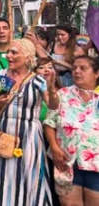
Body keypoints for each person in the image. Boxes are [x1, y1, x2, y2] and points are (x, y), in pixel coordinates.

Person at [0, 38, 59, 206]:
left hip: (30, 135)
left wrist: (52, 90)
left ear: (27, 57)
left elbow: (53, 105)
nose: (8, 56)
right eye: (8, 52)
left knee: (28, 175)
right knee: (4, 177)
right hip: (3, 133)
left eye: (14, 52)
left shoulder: (37, 80)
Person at [44, 54, 99, 205]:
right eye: (74, 68)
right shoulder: (63, 94)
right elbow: (49, 123)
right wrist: (54, 148)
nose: (77, 71)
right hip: (67, 163)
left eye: (83, 68)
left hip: (96, 165)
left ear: (96, 73)